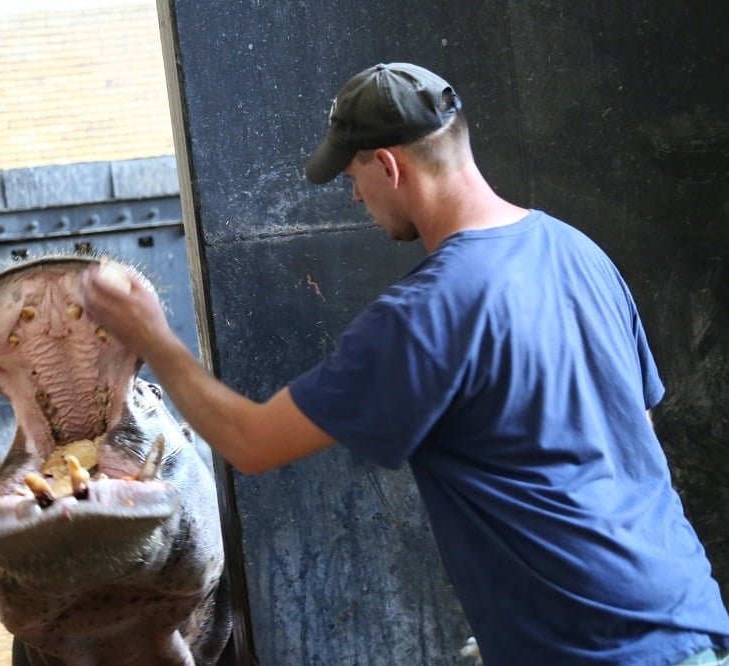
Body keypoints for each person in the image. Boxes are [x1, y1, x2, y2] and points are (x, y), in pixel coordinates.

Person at [83, 62, 729, 665]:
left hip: (591, 647)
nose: (355, 197)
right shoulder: (577, 251)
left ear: (388, 166)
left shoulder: (426, 311)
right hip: (686, 618)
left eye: (351, 178)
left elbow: (250, 443)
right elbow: (632, 435)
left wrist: (153, 338)